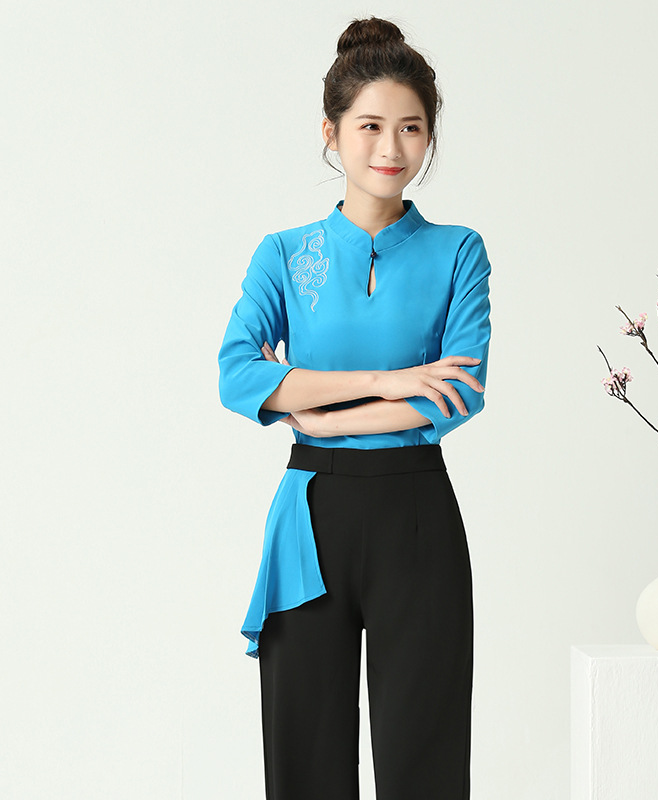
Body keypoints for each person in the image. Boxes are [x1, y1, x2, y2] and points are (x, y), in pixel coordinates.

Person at [218, 16, 491, 800]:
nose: (391, 147)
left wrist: (321, 412)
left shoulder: (458, 251)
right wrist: (393, 382)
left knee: (425, 761)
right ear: (331, 132)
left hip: (417, 515)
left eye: (411, 127)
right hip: (311, 519)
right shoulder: (283, 254)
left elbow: (458, 395)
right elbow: (239, 375)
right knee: (304, 761)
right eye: (370, 125)